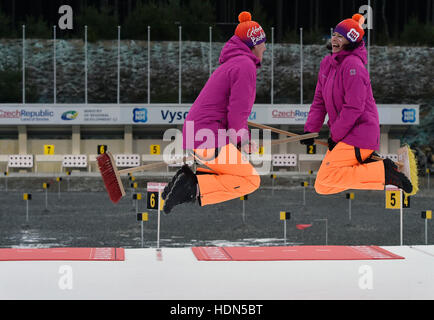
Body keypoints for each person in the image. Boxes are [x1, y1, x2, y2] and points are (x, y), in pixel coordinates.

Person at [162, 11, 266, 214]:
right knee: (251, 180)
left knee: (235, 175)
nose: (265, 47)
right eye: (263, 42)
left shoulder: (231, 64)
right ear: (254, 44)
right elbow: (238, 114)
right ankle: (193, 187)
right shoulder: (245, 66)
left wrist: (241, 139)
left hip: (198, 134)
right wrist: (242, 141)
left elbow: (231, 113)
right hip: (209, 136)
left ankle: (190, 179)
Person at [300, 13, 413, 195]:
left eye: (341, 37)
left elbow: (353, 108)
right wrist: (310, 130)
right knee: (323, 186)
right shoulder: (327, 64)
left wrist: (335, 136)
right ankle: (377, 170)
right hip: (344, 135)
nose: (335, 39)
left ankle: (383, 173)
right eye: (335, 34)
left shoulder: (354, 67)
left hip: (359, 134)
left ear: (351, 42)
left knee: (326, 178)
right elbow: (319, 101)